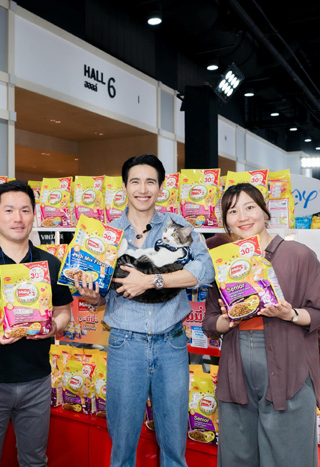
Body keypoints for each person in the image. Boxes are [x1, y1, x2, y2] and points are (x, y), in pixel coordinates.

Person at [77, 154, 214, 467]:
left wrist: (151, 280)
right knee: (123, 444)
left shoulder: (176, 227)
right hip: (125, 345)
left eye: (150, 181)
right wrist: (92, 296)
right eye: (135, 181)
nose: (143, 189)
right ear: (125, 187)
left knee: (174, 444)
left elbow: (205, 270)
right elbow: (99, 295)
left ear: (161, 187)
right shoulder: (107, 234)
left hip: (171, 344)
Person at [202, 183, 320, 466]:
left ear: (265, 211)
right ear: (225, 221)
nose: (243, 217)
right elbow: (210, 323)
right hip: (237, 368)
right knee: (238, 455)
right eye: (233, 211)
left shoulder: (298, 255)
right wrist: (226, 320)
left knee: (289, 455)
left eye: (250, 207)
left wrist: (290, 314)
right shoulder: (225, 262)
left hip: (289, 367)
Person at [0, 180, 72, 467]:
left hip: (37, 381)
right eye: (8, 210)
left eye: (25, 210)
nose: (17, 218)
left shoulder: (50, 263)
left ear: (34, 215)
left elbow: (64, 312)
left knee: (35, 461)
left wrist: (53, 327)